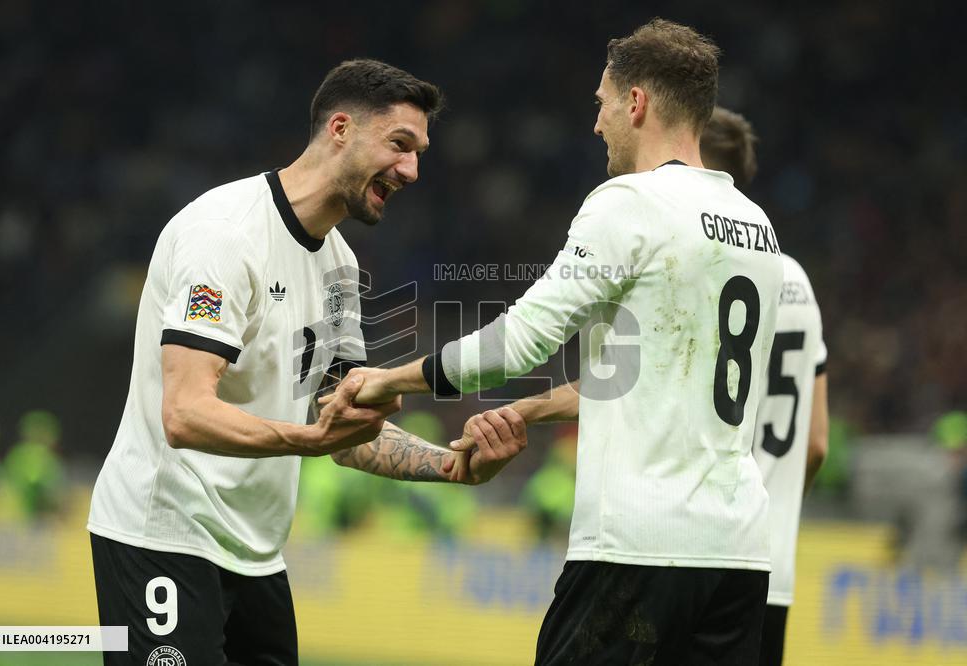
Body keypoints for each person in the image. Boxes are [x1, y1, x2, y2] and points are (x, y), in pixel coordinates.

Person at [330, 19, 784, 665]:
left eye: (601, 104)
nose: (596, 124)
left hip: (636, 551)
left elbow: (514, 345)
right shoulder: (756, 226)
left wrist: (385, 379)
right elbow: (638, 377)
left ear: (637, 103)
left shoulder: (629, 203)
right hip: (739, 557)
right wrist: (530, 411)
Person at [87, 59, 527, 666]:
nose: (412, 170)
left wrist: (454, 468)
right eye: (400, 144)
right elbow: (185, 414)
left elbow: (343, 433)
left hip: (257, 556)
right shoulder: (224, 234)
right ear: (340, 129)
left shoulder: (341, 268)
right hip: (163, 539)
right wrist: (309, 437)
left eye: (420, 152)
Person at [703, 106, 830, 666]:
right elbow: (818, 443)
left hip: (700, 550)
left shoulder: (713, 270)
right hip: (773, 559)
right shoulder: (796, 277)